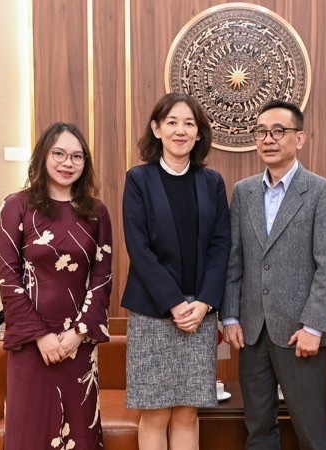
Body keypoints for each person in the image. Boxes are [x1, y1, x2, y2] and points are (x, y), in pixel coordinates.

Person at [221, 100, 326, 450]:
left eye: (279, 131)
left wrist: (313, 326)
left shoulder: (324, 192)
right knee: (258, 428)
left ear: (300, 138)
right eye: (261, 132)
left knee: (311, 430)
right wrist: (230, 316)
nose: (269, 139)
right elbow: (234, 260)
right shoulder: (243, 191)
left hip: (299, 335)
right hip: (252, 330)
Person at [121, 92, 231, 450]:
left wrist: (204, 303)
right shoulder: (138, 179)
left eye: (189, 123)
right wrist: (173, 303)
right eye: (172, 122)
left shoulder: (212, 182)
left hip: (199, 313)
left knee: (187, 412)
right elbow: (139, 249)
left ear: (199, 133)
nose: (180, 130)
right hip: (154, 311)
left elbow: (220, 246)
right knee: (155, 412)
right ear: (156, 129)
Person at [0, 122, 113, 449]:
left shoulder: (96, 212)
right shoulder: (16, 206)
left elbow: (102, 279)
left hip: (78, 342)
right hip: (31, 344)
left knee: (80, 433)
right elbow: (8, 276)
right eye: (59, 153)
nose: (67, 163)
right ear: (43, 156)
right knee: (29, 434)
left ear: (85, 163)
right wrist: (41, 336)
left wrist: (77, 335)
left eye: (77, 156)